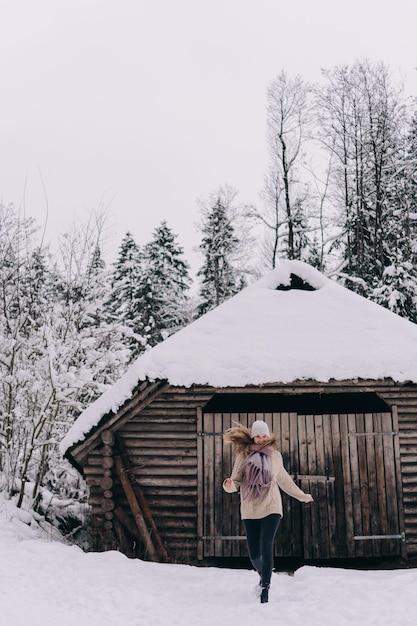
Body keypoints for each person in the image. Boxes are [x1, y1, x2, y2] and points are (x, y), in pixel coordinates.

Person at [223, 420, 314, 604]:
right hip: (250, 507)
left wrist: (301, 495)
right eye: (258, 435)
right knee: (254, 553)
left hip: (272, 506)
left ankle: (265, 587)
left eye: (265, 435)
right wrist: (229, 486)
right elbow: (236, 481)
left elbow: (284, 480)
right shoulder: (243, 455)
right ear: (253, 436)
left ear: (269, 436)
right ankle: (264, 574)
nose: (262, 438)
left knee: (266, 547)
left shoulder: (275, 456)